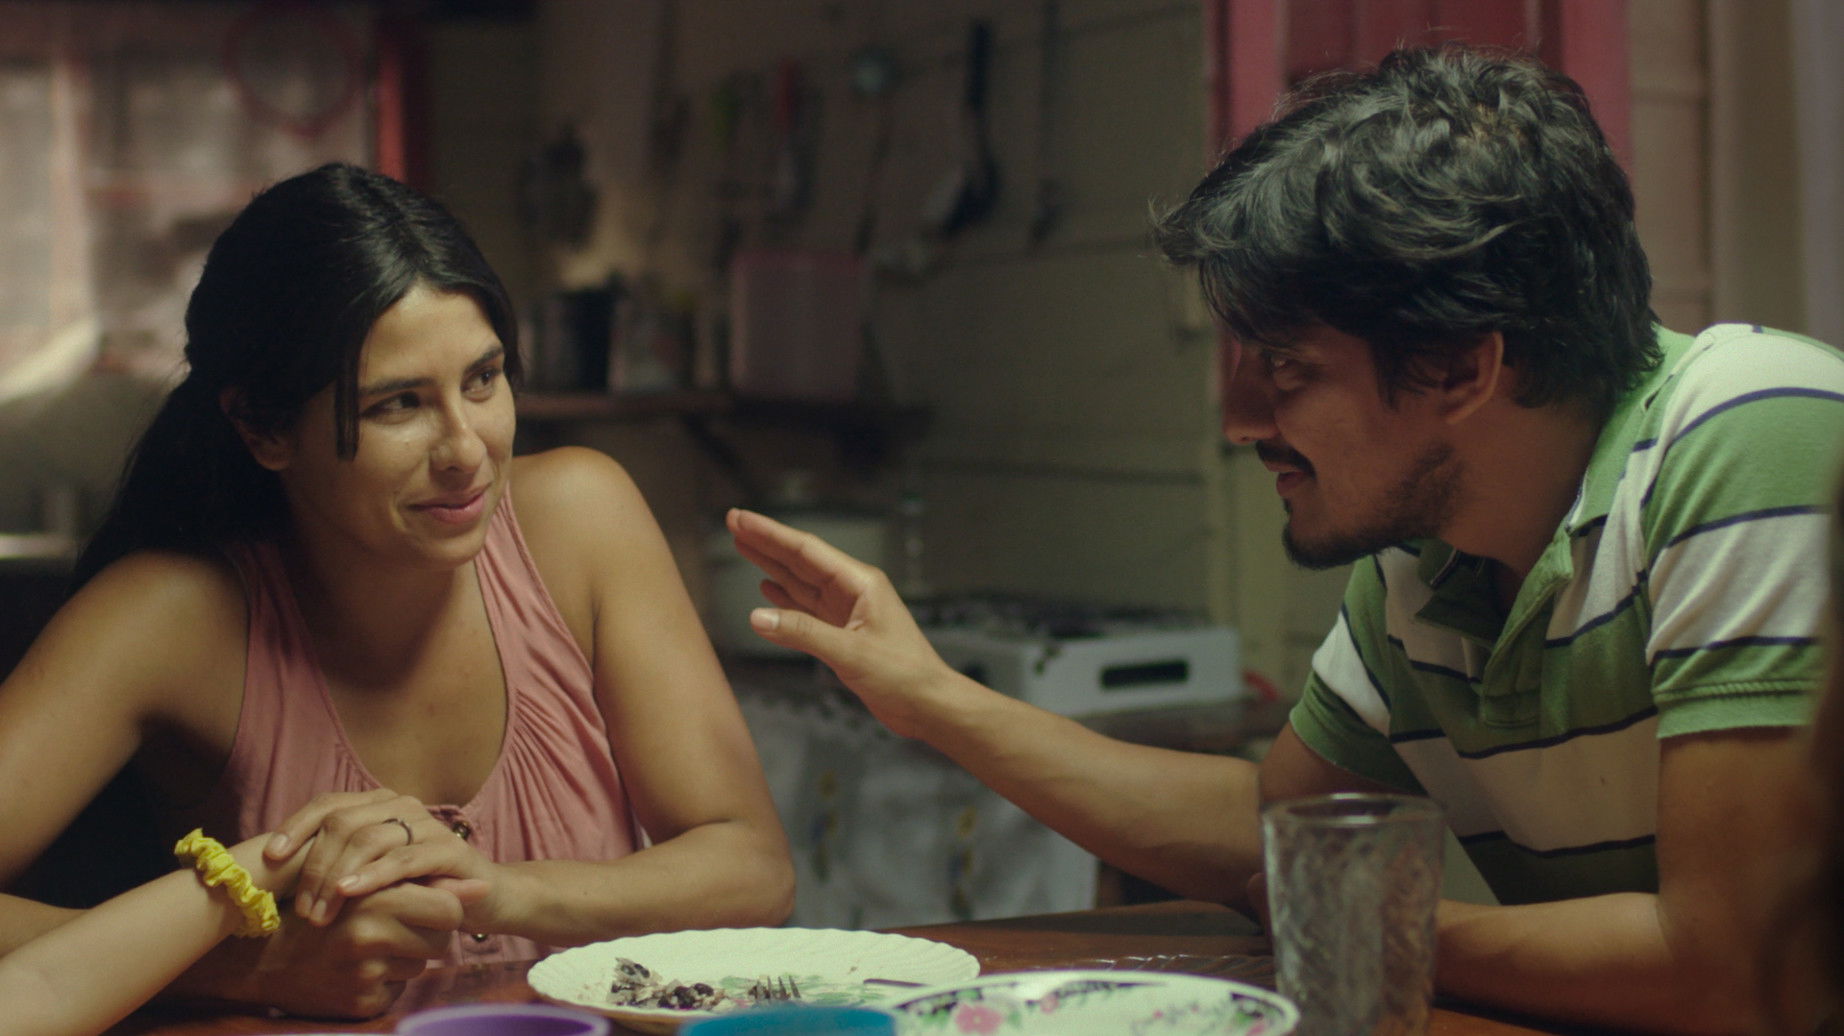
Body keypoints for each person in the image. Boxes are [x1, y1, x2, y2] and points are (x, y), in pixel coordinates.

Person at [727, 44, 1844, 1034]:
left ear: (1461, 366)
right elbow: (1276, 830)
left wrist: (1361, 922)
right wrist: (929, 696)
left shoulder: (1751, 430)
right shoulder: (1426, 555)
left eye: (1286, 368)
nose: (1239, 419)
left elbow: (1737, 974)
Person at [0, 162, 793, 1020]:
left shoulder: (581, 520)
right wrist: (250, 966)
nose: (466, 450)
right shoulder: (171, 617)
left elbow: (753, 870)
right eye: (398, 405)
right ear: (263, 428)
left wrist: (499, 892)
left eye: (482, 380)